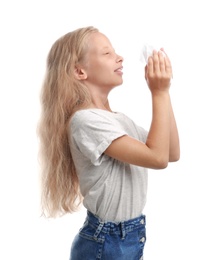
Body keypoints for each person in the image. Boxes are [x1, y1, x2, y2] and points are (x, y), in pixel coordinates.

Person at [38, 26, 180, 260]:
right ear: (79, 71)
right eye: (107, 53)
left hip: (129, 237)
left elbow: (171, 151)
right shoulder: (85, 121)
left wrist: (165, 91)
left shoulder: (119, 121)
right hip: (106, 242)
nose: (119, 57)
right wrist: (159, 93)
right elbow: (158, 158)